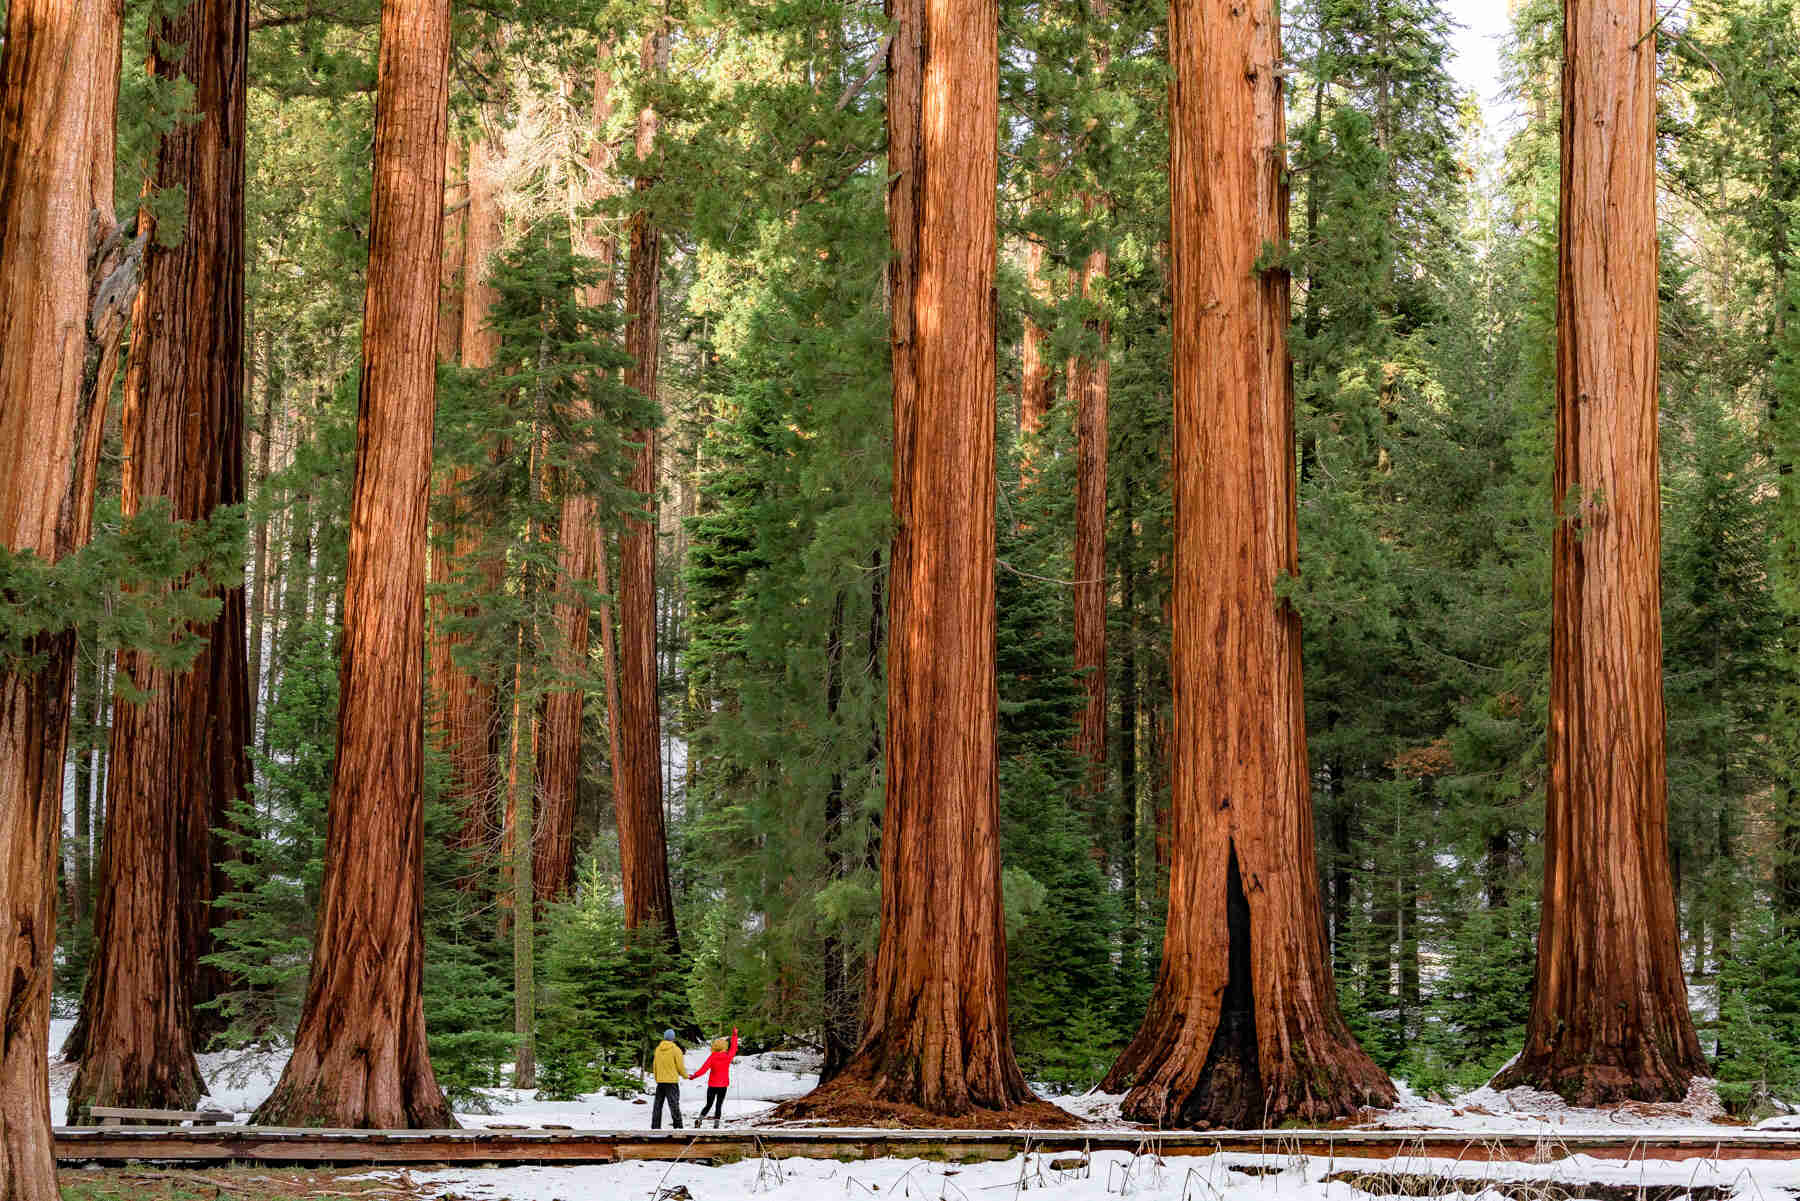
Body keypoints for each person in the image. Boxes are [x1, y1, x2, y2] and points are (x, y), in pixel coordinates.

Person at [689, 1026, 739, 1128]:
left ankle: (699, 1120)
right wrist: (734, 1035)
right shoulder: (728, 1056)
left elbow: (703, 1069)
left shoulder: (712, 1057)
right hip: (723, 1086)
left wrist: (693, 1076)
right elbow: (734, 1048)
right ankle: (716, 1125)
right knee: (718, 1105)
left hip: (712, 1085)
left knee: (708, 1104)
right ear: (724, 1047)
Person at [651, 1028, 684, 1129]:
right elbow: (680, 1066)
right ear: (673, 1038)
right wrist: (686, 1076)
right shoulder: (676, 1050)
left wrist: (657, 1078)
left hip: (660, 1081)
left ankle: (655, 1127)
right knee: (674, 1105)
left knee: (657, 1105)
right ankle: (678, 1127)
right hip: (672, 1082)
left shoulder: (658, 1049)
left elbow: (654, 1065)